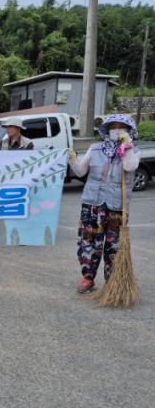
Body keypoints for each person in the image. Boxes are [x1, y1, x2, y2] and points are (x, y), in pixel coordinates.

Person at [69, 114, 141, 294]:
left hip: (117, 207)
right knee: (88, 242)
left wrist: (126, 147)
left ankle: (113, 282)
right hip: (92, 204)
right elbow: (80, 172)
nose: (116, 130)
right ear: (107, 129)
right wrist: (72, 159)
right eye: (113, 126)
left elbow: (130, 167)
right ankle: (87, 278)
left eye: (121, 127)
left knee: (114, 246)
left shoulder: (135, 151)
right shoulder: (95, 149)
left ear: (129, 130)